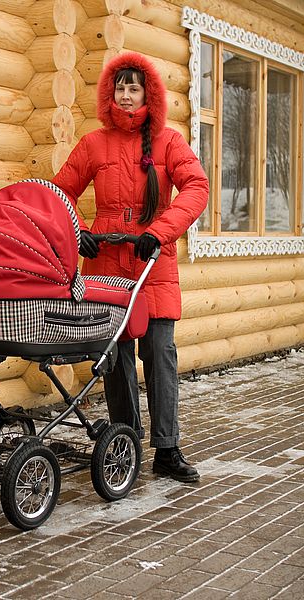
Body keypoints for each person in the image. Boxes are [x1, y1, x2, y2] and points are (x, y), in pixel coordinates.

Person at [52, 52, 209, 482]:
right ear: (110, 93)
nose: (125, 94)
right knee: (114, 357)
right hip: (105, 261)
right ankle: (124, 443)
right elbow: (57, 193)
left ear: (148, 94)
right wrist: (77, 229)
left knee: (160, 353)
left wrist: (160, 231)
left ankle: (167, 449)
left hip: (151, 261)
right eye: (119, 87)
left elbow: (197, 187)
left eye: (133, 87)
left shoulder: (169, 142)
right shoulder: (93, 144)